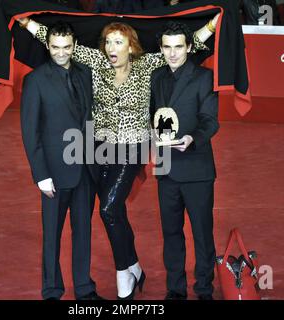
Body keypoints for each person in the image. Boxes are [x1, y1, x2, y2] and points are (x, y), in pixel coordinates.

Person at [18, 12, 219, 299]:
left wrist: (211, 26)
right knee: (116, 213)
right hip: (98, 151)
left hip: (133, 148)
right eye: (108, 42)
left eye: (119, 42)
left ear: (131, 46)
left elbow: (188, 45)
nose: (112, 47)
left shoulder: (147, 64)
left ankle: (125, 269)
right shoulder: (96, 62)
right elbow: (58, 42)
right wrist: (26, 22)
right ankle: (132, 266)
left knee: (108, 208)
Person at [20, 21, 103, 301]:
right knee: (51, 236)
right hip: (53, 173)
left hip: (86, 171)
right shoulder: (35, 80)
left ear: (74, 46)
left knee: (83, 233)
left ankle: (84, 289)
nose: (61, 53)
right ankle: (52, 291)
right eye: (55, 47)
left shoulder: (86, 73)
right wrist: (40, 175)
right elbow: (30, 132)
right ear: (48, 45)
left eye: (66, 47)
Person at [150, 21, 219, 300]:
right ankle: (175, 290)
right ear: (162, 49)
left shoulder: (204, 77)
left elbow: (210, 121)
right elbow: (152, 114)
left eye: (179, 47)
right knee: (171, 234)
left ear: (189, 47)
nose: (173, 53)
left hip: (197, 167)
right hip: (166, 167)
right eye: (167, 47)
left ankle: (204, 289)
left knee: (202, 234)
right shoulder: (156, 77)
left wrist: (192, 139)